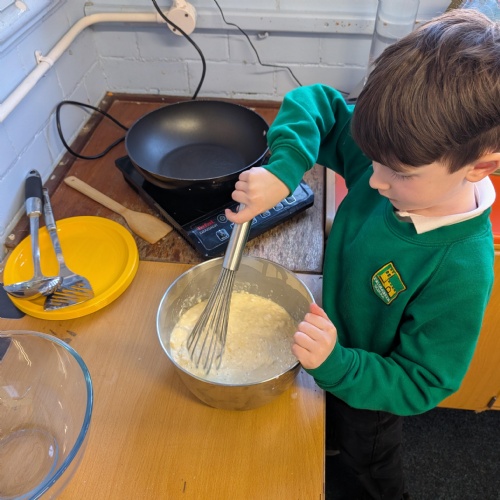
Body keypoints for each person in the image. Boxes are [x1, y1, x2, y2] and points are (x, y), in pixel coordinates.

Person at [225, 9, 500, 500]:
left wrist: (338, 366)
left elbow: (423, 381)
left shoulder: (461, 267)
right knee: (327, 431)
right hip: (331, 343)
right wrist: (285, 169)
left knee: (368, 466)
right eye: (371, 159)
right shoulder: (396, 157)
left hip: (371, 394)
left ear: (480, 167)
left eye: (399, 173)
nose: (373, 180)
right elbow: (316, 104)